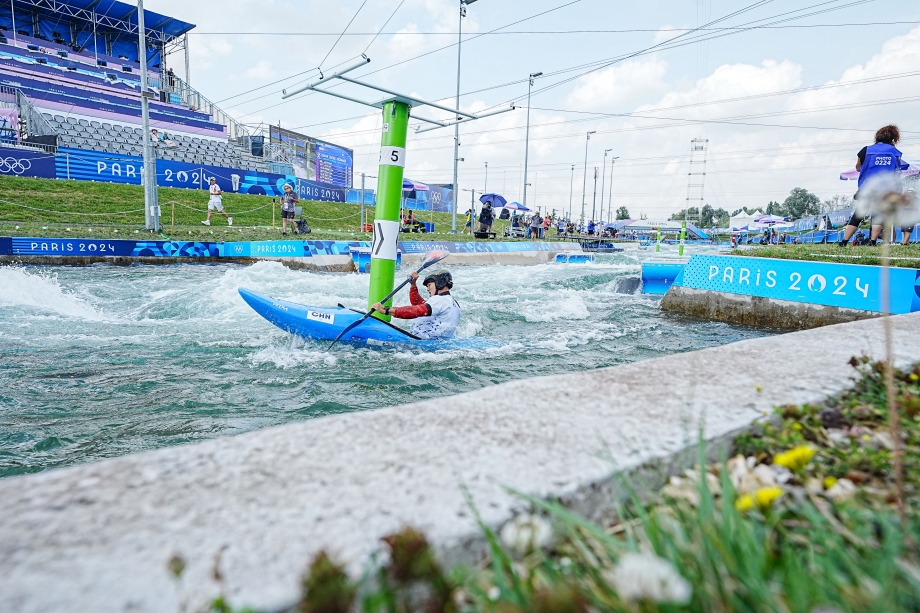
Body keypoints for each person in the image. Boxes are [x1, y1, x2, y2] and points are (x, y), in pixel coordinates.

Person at [839, 124, 908, 246]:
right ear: (893, 138)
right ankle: (873, 241)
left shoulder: (866, 150)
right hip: (885, 190)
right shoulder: (896, 153)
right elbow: (897, 173)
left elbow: (858, 167)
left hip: (867, 188)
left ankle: (844, 241)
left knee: (857, 216)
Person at [370, 270, 460, 340]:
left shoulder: (439, 300)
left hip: (421, 343)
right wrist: (413, 285)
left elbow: (416, 311)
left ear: (440, 283)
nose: (428, 289)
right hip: (434, 343)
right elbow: (418, 304)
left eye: (429, 285)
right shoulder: (452, 302)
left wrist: (386, 310)